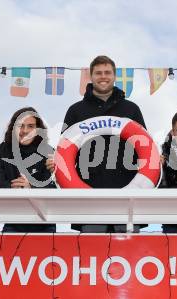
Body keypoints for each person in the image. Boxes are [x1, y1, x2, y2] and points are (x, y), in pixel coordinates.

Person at [47, 55, 147, 233]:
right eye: (98, 73)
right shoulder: (76, 110)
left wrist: (157, 160)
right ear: (90, 77)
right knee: (92, 252)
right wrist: (54, 162)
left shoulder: (131, 109)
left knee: (129, 252)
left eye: (107, 72)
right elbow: (65, 150)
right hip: (88, 192)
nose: (103, 76)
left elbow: (145, 148)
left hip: (127, 189)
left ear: (114, 76)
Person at [0, 107, 56, 233]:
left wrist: (30, 187)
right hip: (13, 222)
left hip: (44, 224)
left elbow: (52, 189)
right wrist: (17, 187)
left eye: (30, 126)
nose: (25, 131)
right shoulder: (0, 151)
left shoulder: (49, 152)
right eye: (20, 126)